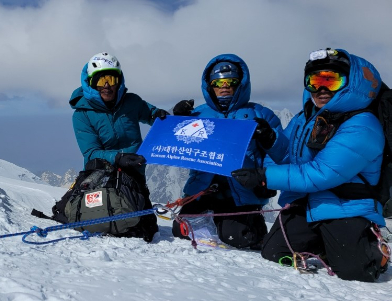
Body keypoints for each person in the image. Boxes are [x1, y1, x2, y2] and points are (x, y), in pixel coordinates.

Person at [231, 48, 389, 282]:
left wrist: (264, 176)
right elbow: (289, 156)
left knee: (357, 271)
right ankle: (326, 244)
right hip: (307, 202)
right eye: (314, 81)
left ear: (350, 83)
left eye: (331, 80)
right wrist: (270, 140)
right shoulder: (306, 117)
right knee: (274, 251)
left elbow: (320, 173)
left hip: (345, 205)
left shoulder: (362, 125)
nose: (321, 89)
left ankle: (375, 248)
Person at [171, 54, 284, 249]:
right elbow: (179, 147)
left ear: (241, 83)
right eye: (218, 82)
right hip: (203, 190)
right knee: (180, 229)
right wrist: (177, 122)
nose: (224, 86)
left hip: (241, 192)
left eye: (231, 81)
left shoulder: (261, 114)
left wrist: (266, 178)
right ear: (210, 85)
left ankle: (252, 227)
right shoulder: (198, 114)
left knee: (236, 238)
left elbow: (278, 153)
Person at [69, 52, 169, 242]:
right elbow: (91, 153)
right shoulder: (82, 114)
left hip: (134, 176)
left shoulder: (132, 102)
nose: (107, 85)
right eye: (100, 80)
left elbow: (154, 116)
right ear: (90, 83)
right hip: (102, 176)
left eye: (111, 78)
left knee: (147, 228)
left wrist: (170, 115)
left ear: (119, 80)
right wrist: (118, 157)